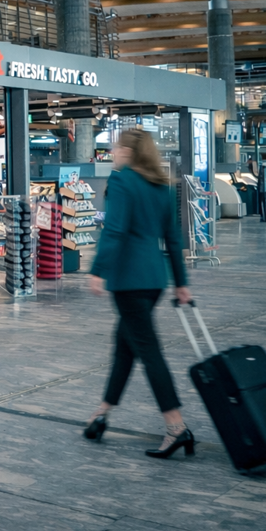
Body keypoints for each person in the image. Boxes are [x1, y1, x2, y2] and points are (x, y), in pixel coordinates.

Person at [85, 129, 194, 459]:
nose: (113, 152)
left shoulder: (121, 181)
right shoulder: (161, 185)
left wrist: (98, 269)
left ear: (128, 152)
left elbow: (115, 230)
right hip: (153, 279)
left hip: (128, 280)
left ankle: (176, 427)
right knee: (124, 347)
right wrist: (181, 282)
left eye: (115, 147)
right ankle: (101, 414)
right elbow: (173, 238)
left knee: (148, 352)